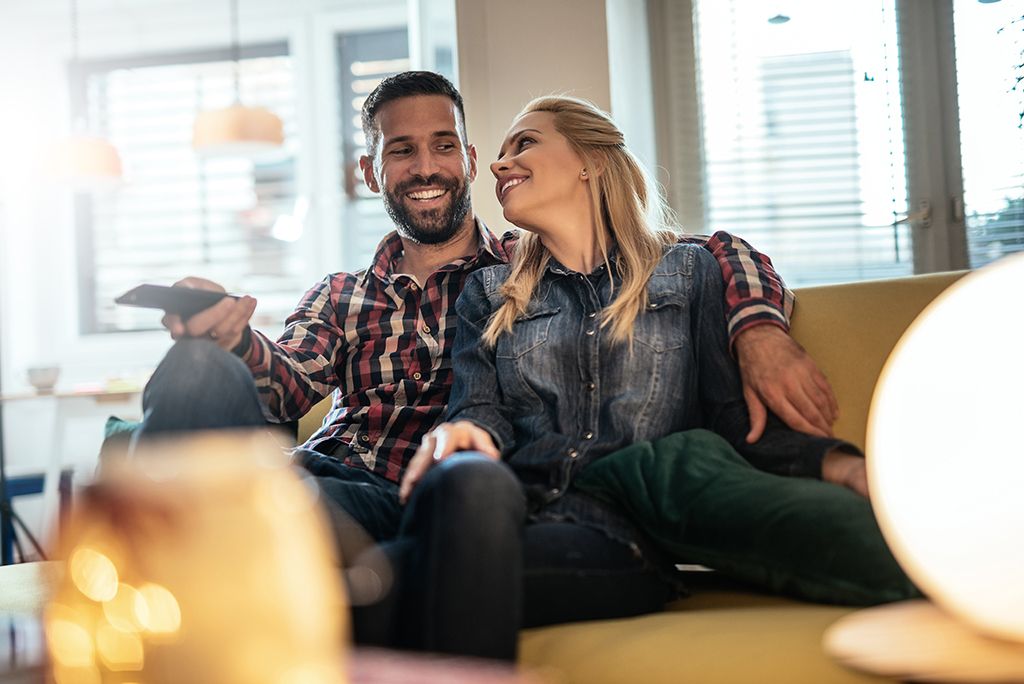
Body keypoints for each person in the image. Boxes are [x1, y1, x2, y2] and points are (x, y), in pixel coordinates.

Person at [139, 72, 837, 659]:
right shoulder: (343, 294)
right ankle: (150, 602)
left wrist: (756, 327)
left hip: (462, 503)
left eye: (444, 145)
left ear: (468, 160)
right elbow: (285, 381)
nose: (425, 166)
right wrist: (227, 336)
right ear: (371, 171)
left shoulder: (523, 270)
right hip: (347, 492)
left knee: (456, 501)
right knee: (200, 371)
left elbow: (684, 254)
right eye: (401, 150)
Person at [399, 95, 916, 656]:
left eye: (524, 143)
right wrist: (464, 432)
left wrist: (838, 465)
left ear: (589, 161)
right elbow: (478, 411)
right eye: (498, 155)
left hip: (611, 534)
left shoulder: (686, 272)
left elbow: (731, 416)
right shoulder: (489, 292)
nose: (498, 166)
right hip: (503, 503)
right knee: (461, 480)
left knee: (388, 591)